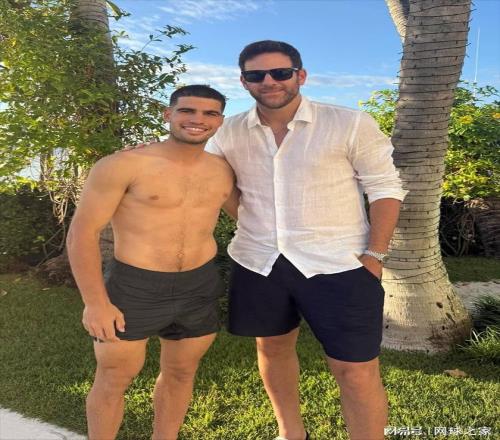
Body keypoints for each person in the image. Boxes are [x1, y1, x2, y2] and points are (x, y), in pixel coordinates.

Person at [205, 40, 407, 440]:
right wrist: (250, 218)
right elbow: (210, 179)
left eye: (280, 72)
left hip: (341, 263)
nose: (269, 81)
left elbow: (385, 188)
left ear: (300, 75)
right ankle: (290, 434)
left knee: (355, 370)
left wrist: (375, 255)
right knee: (272, 350)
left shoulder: (349, 123)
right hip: (258, 261)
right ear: (243, 82)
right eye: (256, 74)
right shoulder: (228, 132)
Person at [67, 85, 239, 440]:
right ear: (168, 114)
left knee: (182, 373)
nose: (198, 119)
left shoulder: (223, 170)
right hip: (135, 286)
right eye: (187, 111)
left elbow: (252, 215)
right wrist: (95, 303)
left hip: (198, 285)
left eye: (210, 113)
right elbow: (82, 234)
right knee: (114, 377)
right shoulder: (122, 165)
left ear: (220, 121)